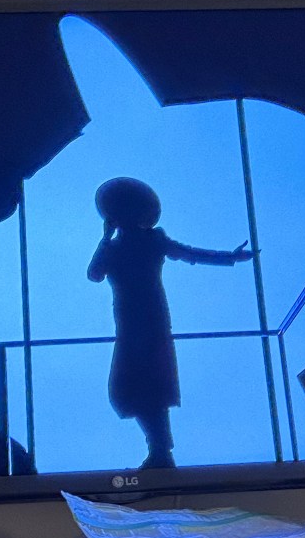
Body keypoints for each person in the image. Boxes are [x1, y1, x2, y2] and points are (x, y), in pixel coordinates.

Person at [87, 177, 254, 469]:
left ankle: (160, 449)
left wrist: (229, 258)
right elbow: (94, 274)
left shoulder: (152, 240)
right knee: (135, 385)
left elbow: (190, 254)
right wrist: (105, 239)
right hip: (131, 322)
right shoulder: (115, 248)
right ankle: (159, 449)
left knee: (148, 383)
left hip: (149, 320)